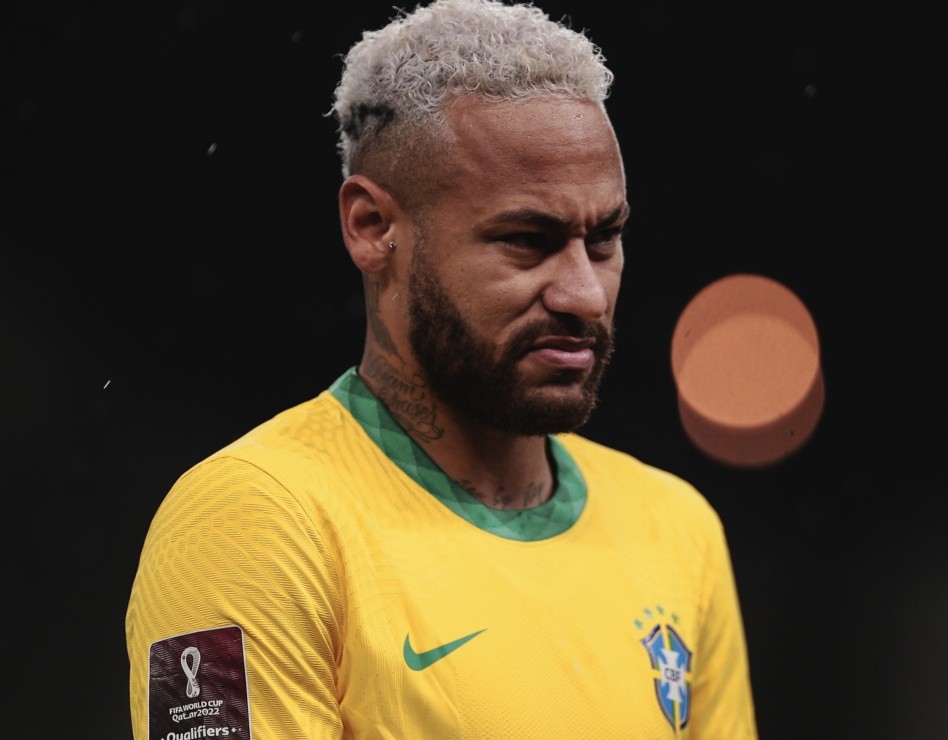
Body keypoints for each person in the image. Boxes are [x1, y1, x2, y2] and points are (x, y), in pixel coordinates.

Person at [125, 0, 758, 737]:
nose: (585, 294)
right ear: (372, 227)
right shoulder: (251, 523)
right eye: (527, 240)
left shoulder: (678, 529)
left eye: (604, 239)